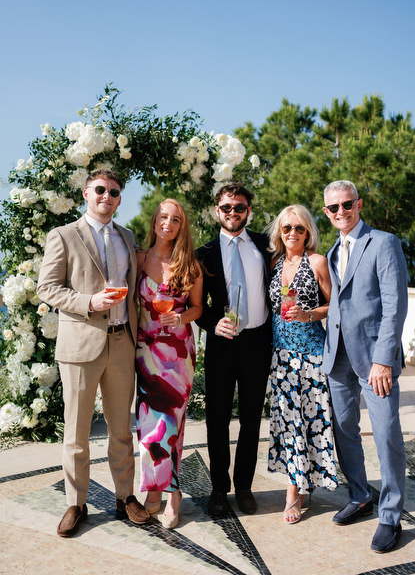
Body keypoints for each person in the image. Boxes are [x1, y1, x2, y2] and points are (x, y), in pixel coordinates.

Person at [37, 168, 151, 537]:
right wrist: (89, 301)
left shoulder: (128, 237)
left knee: (122, 429)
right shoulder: (63, 236)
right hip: (81, 346)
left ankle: (125, 498)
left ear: (120, 198)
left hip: (122, 343)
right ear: (86, 194)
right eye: (100, 189)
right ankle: (76, 502)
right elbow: (47, 288)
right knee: (76, 432)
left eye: (114, 192)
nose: (107, 196)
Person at [322, 180, 408, 553]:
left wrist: (383, 359)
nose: (341, 212)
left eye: (347, 205)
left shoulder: (384, 242)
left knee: (386, 434)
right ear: (327, 213)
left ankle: (390, 516)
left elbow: (395, 304)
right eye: (334, 208)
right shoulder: (331, 251)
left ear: (360, 204)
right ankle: (360, 495)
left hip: (375, 360)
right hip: (337, 356)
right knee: (344, 430)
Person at [196, 182, 272, 516]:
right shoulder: (204, 254)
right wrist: (213, 323)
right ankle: (217, 489)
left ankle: (243, 487)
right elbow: (196, 306)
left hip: (258, 342)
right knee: (217, 419)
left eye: (239, 207)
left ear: (248, 211)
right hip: (222, 345)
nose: (232, 213)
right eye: (226, 207)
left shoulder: (266, 247)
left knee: (252, 418)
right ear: (217, 211)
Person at [266, 205, 338, 524]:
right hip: (280, 353)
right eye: (286, 228)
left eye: (299, 228)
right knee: (289, 422)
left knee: (309, 421)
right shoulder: (274, 263)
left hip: (311, 352)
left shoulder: (318, 262)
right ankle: (298, 485)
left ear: (308, 231)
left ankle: (294, 494)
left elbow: (333, 304)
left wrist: (309, 314)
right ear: (279, 233)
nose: (292, 233)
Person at [135, 198, 203, 529]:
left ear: (181, 227)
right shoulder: (139, 259)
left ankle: (172, 494)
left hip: (177, 354)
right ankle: (153, 491)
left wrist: (180, 316)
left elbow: (197, 309)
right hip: (144, 353)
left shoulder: (188, 264)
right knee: (149, 425)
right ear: (154, 221)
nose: (168, 223)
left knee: (173, 427)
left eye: (175, 219)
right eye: (164, 217)